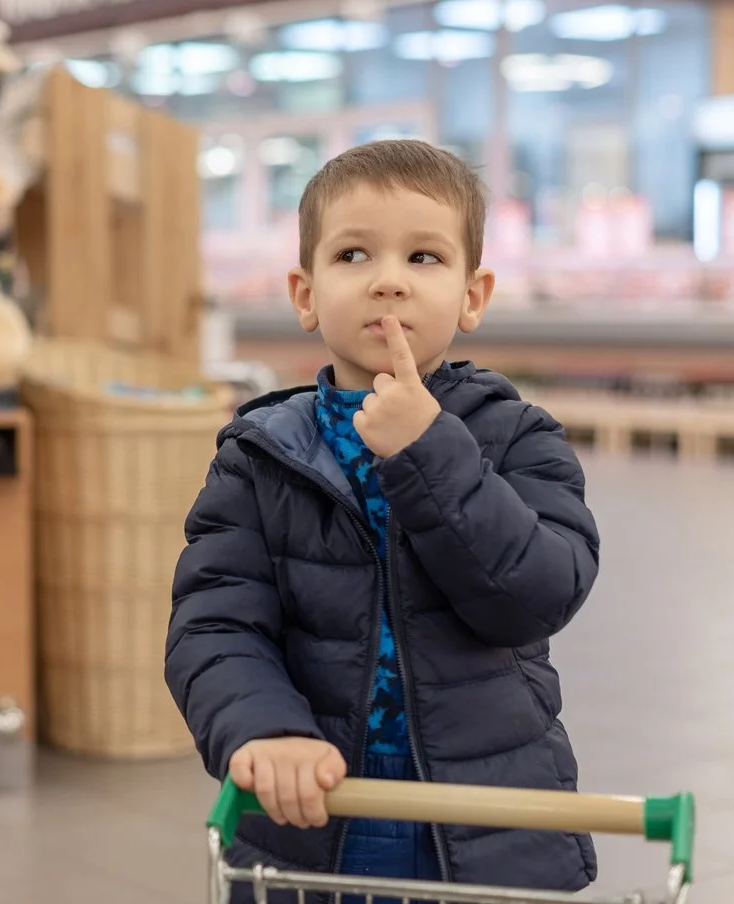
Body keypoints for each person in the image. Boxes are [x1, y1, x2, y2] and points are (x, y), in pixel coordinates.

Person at [165, 139, 600, 903]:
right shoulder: (259, 455)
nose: (389, 282)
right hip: (313, 819)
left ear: (474, 294)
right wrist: (263, 729)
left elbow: (534, 596)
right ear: (305, 294)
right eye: (355, 254)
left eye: (425, 258)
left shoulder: (518, 438)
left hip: (485, 824)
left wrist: (429, 449)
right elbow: (215, 625)